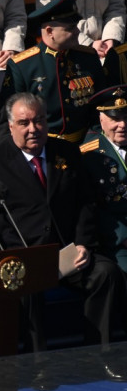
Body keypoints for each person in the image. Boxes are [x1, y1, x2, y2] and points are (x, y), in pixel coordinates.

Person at [0, 93, 125, 372]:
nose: (33, 129)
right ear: (10, 126)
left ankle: (98, 356)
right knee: (22, 282)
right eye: (24, 123)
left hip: (68, 252)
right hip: (26, 253)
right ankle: (38, 364)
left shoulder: (65, 152)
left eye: (39, 120)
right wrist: (24, 252)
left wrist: (83, 244)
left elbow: (85, 202)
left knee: (106, 274)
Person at [0, 0, 112, 144]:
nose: (78, 31)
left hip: (87, 143)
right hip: (44, 147)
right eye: (70, 28)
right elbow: (9, 118)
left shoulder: (88, 57)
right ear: (50, 31)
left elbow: (100, 107)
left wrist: (93, 141)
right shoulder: (22, 66)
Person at [80, 85, 127, 273]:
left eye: (126, 117)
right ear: (101, 119)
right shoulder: (88, 156)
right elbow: (90, 207)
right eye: (115, 118)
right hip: (117, 243)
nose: (122, 124)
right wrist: (123, 236)